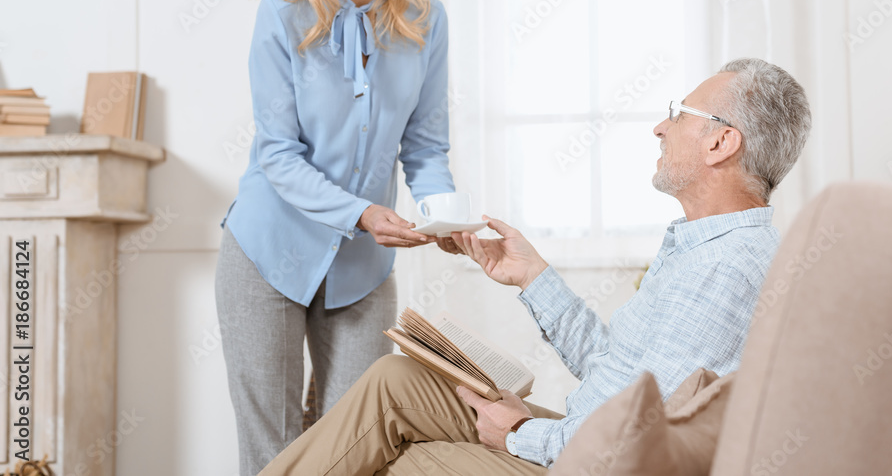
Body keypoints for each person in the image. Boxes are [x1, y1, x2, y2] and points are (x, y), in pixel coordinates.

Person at [259, 58, 812, 475]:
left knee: (407, 461)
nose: (659, 128)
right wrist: (533, 277)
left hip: (589, 463)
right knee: (396, 379)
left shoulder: (725, 268)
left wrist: (523, 432)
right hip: (581, 439)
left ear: (721, 141)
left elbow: (641, 442)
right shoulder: (701, 247)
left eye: (677, 114)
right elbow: (617, 373)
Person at [215, 0, 455, 475]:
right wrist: (364, 212)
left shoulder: (426, 22)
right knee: (274, 449)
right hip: (269, 250)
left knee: (357, 446)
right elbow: (278, 155)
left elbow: (426, 146)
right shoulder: (284, 11)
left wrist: (445, 216)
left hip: (362, 267)